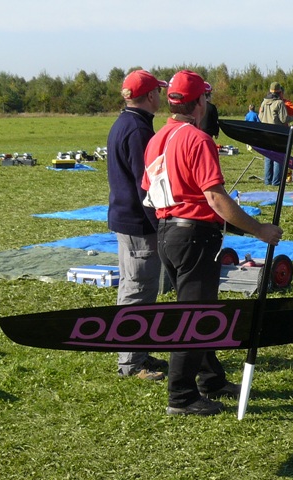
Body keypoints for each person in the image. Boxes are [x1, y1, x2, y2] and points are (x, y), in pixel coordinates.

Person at [142, 70, 283, 416]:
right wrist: (259, 230)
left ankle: (211, 378)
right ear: (200, 102)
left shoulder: (157, 138)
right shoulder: (198, 140)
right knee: (194, 317)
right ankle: (181, 396)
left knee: (195, 310)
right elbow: (216, 199)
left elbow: (148, 190)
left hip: (167, 232)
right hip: (193, 236)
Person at [106, 70, 169, 381]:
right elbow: (146, 185)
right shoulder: (138, 131)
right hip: (137, 223)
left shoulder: (126, 123)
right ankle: (131, 363)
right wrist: (160, 222)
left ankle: (135, 351)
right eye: (157, 91)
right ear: (148, 97)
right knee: (139, 288)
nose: (161, 96)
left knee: (131, 285)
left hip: (125, 218)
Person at [258, 82, 293, 186]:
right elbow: (284, 119)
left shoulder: (264, 102)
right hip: (277, 132)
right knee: (278, 157)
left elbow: (260, 117)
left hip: (265, 132)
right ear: (280, 92)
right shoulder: (279, 103)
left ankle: (267, 180)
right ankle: (276, 181)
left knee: (268, 157)